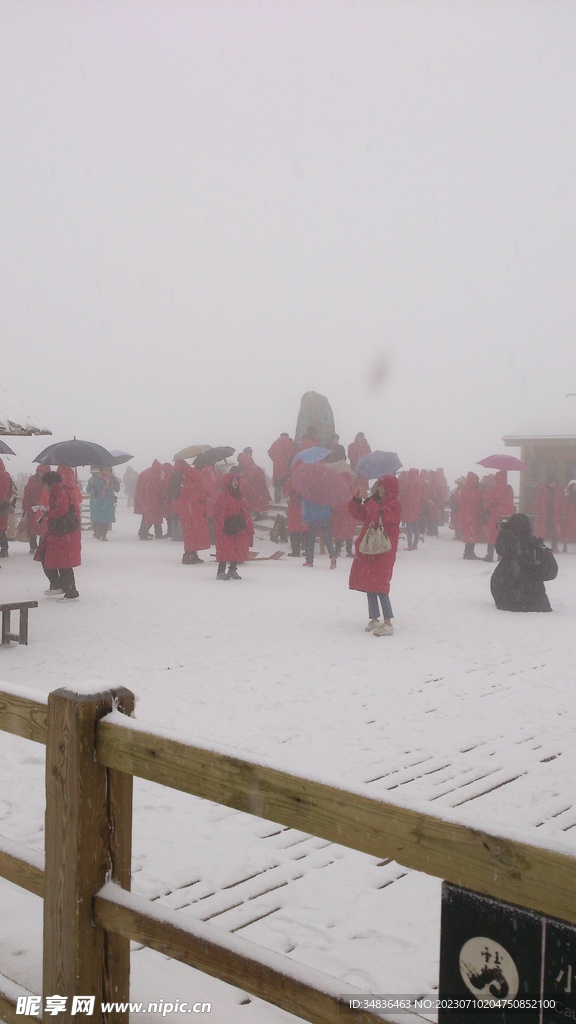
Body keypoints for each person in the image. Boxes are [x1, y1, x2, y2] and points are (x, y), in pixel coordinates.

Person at [348, 475, 401, 636]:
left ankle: (388, 621)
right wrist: (357, 500)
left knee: (381, 586)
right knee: (370, 585)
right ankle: (374, 618)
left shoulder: (394, 505)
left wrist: (367, 500)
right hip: (371, 550)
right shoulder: (376, 502)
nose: (380, 489)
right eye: (379, 486)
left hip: (383, 551)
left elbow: (378, 517)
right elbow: (361, 514)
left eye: (383, 486)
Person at [490, 513, 557, 612]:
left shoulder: (511, 543)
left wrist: (504, 531)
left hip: (510, 600)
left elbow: (499, 549)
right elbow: (551, 572)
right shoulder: (536, 544)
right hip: (537, 601)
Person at [34, 470, 82, 601]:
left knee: (63, 561)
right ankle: (60, 585)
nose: (44, 487)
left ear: (51, 483)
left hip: (63, 532)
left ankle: (71, 592)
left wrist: (48, 513)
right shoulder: (60, 491)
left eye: (45, 484)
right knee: (55, 559)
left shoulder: (60, 492)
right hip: (61, 532)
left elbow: (62, 510)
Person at [213, 473, 254, 579]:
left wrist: (247, 525)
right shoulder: (224, 496)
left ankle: (232, 569)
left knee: (238, 548)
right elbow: (219, 513)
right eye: (234, 481)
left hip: (238, 526)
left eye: (237, 481)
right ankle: (221, 571)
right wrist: (221, 527)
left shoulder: (238, 495)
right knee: (225, 548)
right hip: (227, 527)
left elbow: (244, 510)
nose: (236, 483)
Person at [175, 461, 210, 564]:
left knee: (189, 535)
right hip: (197, 514)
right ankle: (190, 555)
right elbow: (206, 496)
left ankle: (190, 554)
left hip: (187, 514)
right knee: (195, 535)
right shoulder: (197, 485)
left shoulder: (186, 486)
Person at [482, 470, 515, 562]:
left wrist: (486, 490)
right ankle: (501, 555)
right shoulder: (509, 488)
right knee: (503, 535)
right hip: (506, 516)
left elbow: (487, 498)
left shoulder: (495, 489)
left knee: (492, 535)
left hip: (495, 515)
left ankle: (490, 555)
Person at [22, 465, 52, 553]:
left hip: (44, 508)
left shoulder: (49, 482)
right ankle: (33, 546)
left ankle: (42, 547)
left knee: (43, 528)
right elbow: (27, 492)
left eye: (43, 471)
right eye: (39, 471)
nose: (41, 473)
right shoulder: (33, 480)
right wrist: (25, 505)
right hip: (33, 508)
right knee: (32, 528)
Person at [302, 494, 337, 569]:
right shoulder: (325, 492)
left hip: (313, 517)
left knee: (310, 539)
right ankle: (333, 556)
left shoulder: (308, 493)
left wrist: (304, 519)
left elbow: (305, 507)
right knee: (327, 538)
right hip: (326, 516)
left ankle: (309, 560)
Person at [86, 466, 120, 540]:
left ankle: (104, 534)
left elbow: (117, 489)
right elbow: (97, 487)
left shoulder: (112, 479)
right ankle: (97, 533)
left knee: (106, 519)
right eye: (105, 470)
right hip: (98, 502)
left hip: (108, 501)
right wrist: (103, 481)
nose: (106, 472)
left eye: (108, 470)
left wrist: (117, 482)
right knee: (98, 519)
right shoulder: (97, 478)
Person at [533, 478, 564, 554]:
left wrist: (562, 512)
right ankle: (540, 546)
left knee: (554, 531)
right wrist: (537, 512)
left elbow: (561, 502)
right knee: (541, 531)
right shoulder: (542, 490)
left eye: (554, 483)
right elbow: (537, 501)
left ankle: (554, 547)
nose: (553, 485)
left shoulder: (558, 490)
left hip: (554, 514)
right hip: (543, 514)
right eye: (551, 483)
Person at [458, 472, 484, 559]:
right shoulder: (469, 489)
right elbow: (475, 498)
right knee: (471, 534)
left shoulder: (466, 489)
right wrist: (481, 491)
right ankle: (469, 553)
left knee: (470, 534)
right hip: (471, 515)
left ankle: (469, 552)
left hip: (469, 515)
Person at [237, 449, 270, 516]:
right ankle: (257, 513)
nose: (240, 464)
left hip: (254, 492)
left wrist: (241, 481)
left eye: (241, 462)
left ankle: (257, 514)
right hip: (259, 491)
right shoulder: (253, 466)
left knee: (255, 505)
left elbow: (248, 481)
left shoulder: (249, 469)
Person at [267, 433, 298, 503]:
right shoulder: (290, 442)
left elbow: (270, 452)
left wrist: (275, 459)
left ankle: (277, 498)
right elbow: (295, 453)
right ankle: (288, 498)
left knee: (277, 483)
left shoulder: (276, 443)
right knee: (287, 482)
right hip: (287, 466)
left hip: (277, 466)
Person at [400, 468, 422, 550]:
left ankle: (409, 544)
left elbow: (403, 494)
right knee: (416, 526)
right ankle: (415, 544)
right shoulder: (418, 482)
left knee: (409, 527)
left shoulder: (408, 483)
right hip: (416, 507)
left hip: (408, 506)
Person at [284, 477, 306, 556]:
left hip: (295, 510)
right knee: (304, 530)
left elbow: (286, 490)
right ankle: (307, 549)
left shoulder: (294, 480)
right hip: (304, 510)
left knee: (294, 532)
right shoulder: (306, 480)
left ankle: (295, 551)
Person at [0, 458, 16, 557]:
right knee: (2, 528)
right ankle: (4, 549)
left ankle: (4, 549)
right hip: (4, 504)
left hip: (2, 504)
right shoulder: (6, 475)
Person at [562, 480, 576, 552]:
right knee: (567, 530)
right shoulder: (566, 495)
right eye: (573, 486)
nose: (575, 487)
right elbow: (564, 505)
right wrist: (564, 513)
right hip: (569, 515)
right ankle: (565, 545)